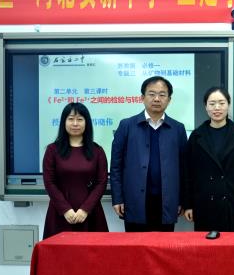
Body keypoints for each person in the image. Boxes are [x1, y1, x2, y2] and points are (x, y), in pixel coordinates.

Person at [110, 76, 187, 232]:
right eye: (152, 94)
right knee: (135, 245)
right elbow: (116, 166)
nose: (157, 99)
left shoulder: (178, 128)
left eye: (162, 95)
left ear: (169, 100)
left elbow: (184, 168)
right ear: (142, 97)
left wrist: (182, 200)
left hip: (166, 201)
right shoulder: (126, 126)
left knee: (164, 245)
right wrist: (117, 198)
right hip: (134, 200)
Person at [183, 87, 234, 231]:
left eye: (221, 103)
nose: (217, 108)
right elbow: (188, 173)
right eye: (212, 103)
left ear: (228, 105)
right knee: (206, 244)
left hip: (233, 202)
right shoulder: (196, 136)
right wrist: (188, 205)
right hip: (204, 203)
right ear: (206, 106)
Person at [42, 102, 109, 239]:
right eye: (71, 119)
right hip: (60, 214)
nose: (75, 123)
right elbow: (49, 182)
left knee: (92, 251)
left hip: (91, 214)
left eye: (80, 119)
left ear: (86, 123)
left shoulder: (97, 151)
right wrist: (65, 210)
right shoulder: (52, 150)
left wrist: (85, 210)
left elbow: (101, 183)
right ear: (64, 122)